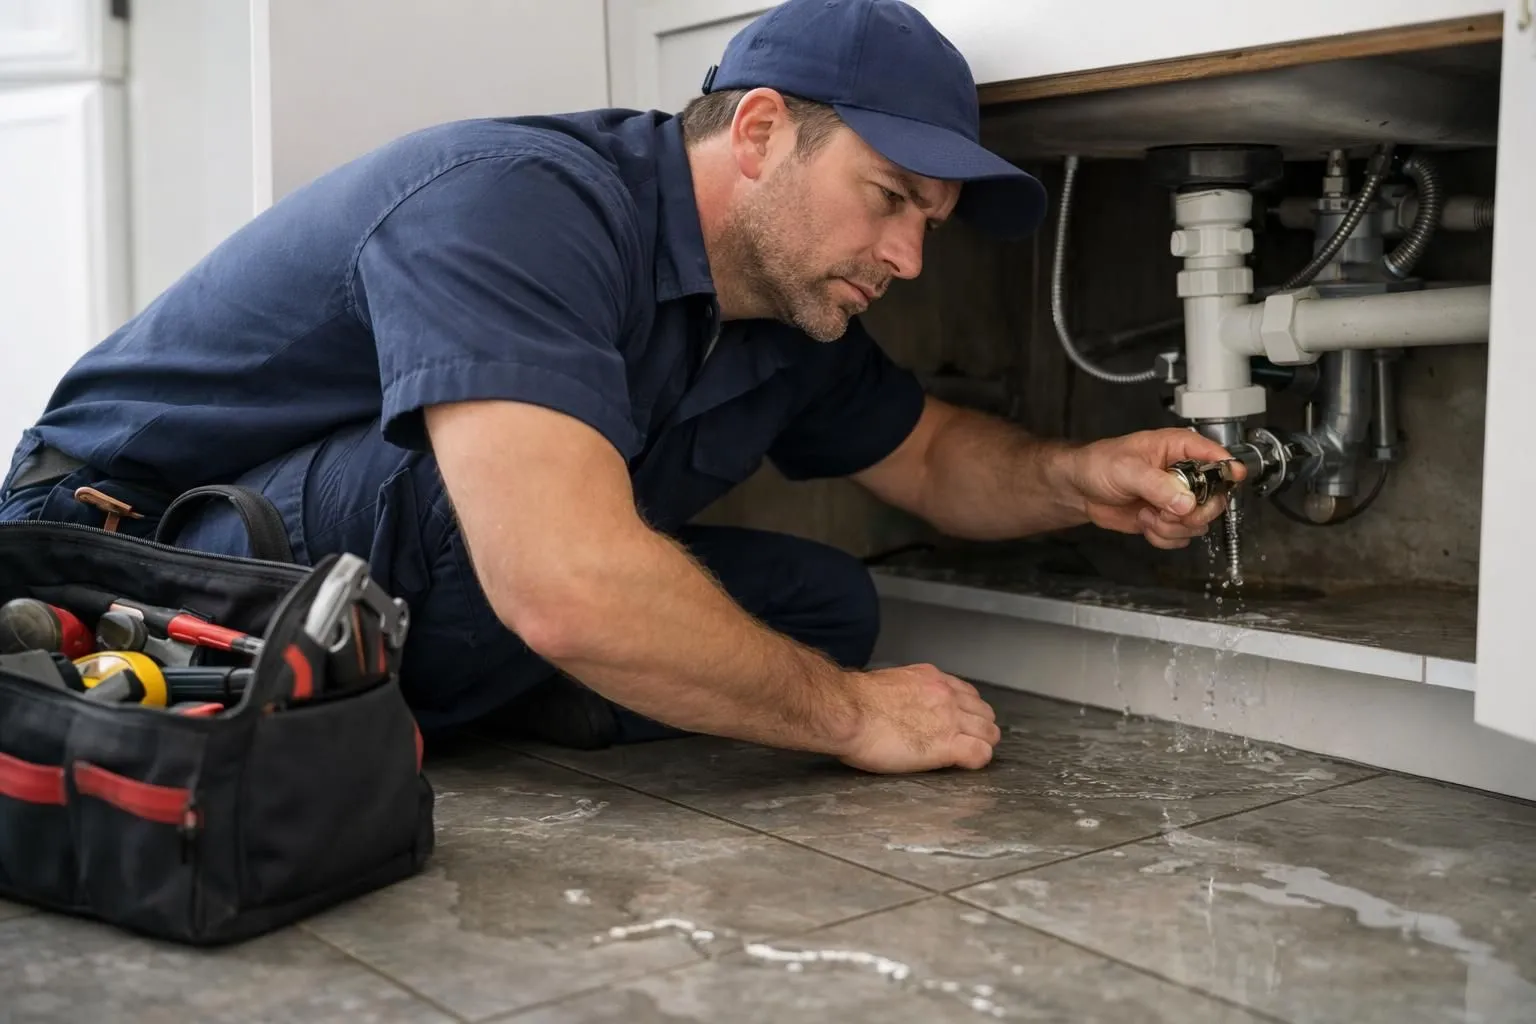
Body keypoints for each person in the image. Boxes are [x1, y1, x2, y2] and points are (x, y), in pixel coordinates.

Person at [0, 0, 1233, 773]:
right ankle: (475, 693)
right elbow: (563, 571)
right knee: (515, 526)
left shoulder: (785, 304)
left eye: (934, 223)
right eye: (891, 199)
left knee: (823, 608)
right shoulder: (524, 201)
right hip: (116, 552)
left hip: (354, 564)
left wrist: (1083, 477)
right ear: (757, 134)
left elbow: (925, 454)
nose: (908, 258)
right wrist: (854, 719)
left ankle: (447, 706)